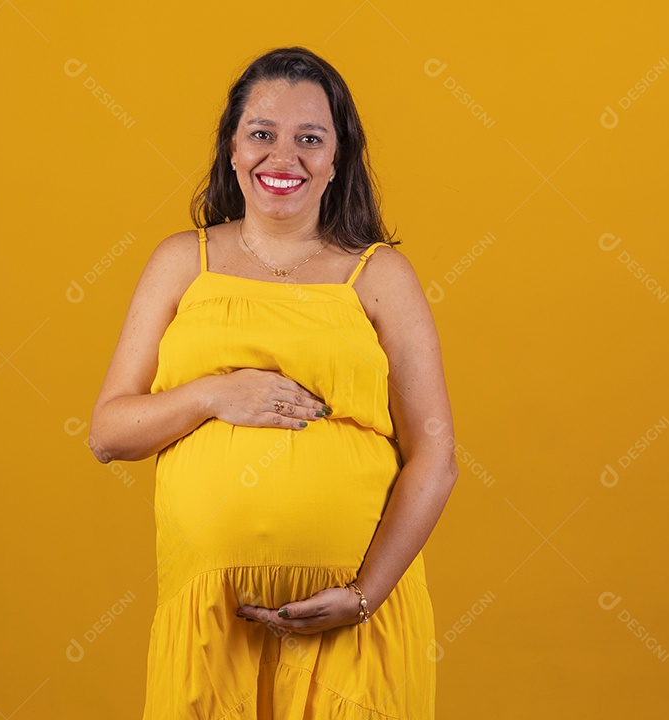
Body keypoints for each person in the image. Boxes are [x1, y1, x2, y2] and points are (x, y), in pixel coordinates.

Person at [89, 46, 458, 719]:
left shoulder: (380, 276)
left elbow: (435, 458)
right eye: (262, 134)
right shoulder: (181, 263)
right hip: (212, 625)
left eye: (309, 139)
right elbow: (108, 433)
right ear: (232, 150)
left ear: (336, 160)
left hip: (355, 626)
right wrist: (212, 396)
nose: (282, 158)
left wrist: (365, 593)